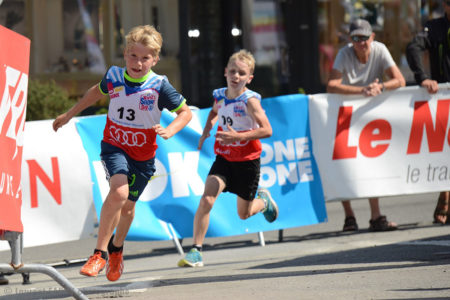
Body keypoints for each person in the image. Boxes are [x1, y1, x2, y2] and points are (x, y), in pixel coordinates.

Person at [53, 25, 192, 281]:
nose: (138, 63)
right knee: (119, 191)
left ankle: (117, 249)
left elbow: (186, 113)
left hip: (143, 157)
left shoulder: (159, 85)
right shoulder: (114, 76)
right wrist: (68, 114)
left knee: (128, 208)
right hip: (114, 146)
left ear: (155, 59)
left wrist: (171, 129)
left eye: (145, 57)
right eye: (133, 56)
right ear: (125, 54)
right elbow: (95, 92)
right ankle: (99, 254)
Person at [177, 50, 278, 267]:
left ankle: (264, 201)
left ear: (249, 78)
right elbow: (214, 113)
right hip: (224, 158)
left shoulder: (250, 102)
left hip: (247, 162)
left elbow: (267, 130)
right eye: (232, 71)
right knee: (206, 199)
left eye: (242, 73)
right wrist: (206, 131)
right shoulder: (220, 95)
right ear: (225, 72)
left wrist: (237, 136)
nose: (236, 76)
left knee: (244, 214)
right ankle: (196, 251)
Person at [327, 19, 406, 232]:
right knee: (343, 161)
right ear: (350, 40)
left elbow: (400, 80)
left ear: (372, 37)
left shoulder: (380, 50)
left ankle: (376, 215)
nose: (360, 43)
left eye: (364, 38)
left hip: (369, 116)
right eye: (355, 38)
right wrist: (362, 91)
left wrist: (379, 86)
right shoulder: (344, 53)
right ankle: (349, 216)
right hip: (346, 114)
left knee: (371, 163)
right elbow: (331, 85)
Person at [406, 0, 450, 225]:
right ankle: (444, 196)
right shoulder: (435, 27)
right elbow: (413, 47)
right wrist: (422, 78)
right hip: (443, 99)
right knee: (445, 151)